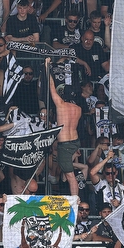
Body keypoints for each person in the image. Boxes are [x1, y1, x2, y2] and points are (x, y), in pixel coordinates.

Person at [45, 57, 81, 196]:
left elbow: (52, 87)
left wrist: (47, 67)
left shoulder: (61, 105)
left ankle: (75, 201)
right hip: (75, 141)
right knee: (66, 172)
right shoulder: (78, 108)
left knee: (71, 176)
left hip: (65, 144)